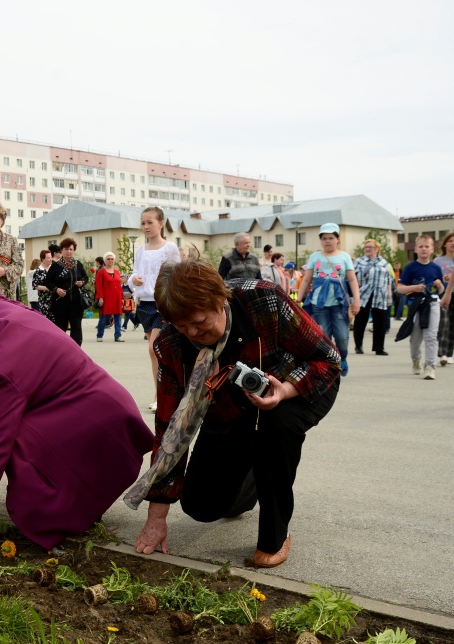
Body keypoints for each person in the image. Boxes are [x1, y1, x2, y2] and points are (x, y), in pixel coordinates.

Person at [0, 272, 153, 553]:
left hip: (98, 427)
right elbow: (1, 303)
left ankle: (62, 514)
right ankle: (83, 502)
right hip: (109, 409)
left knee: (18, 444)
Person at [128, 260, 341, 568]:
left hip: (297, 389)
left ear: (219, 299)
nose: (192, 332)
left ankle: (275, 536)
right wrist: (156, 517)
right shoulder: (171, 344)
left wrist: (285, 390)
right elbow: (169, 428)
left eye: (199, 322)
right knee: (201, 505)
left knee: (277, 426)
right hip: (228, 412)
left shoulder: (263, 301)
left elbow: (328, 360)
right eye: (181, 325)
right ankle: (259, 469)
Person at [130, 206, 181, 410]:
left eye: (150, 222)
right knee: (155, 352)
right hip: (146, 305)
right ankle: (161, 392)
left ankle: (163, 395)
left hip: (163, 303)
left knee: (154, 348)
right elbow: (134, 275)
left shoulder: (170, 248)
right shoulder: (141, 250)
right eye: (143, 223)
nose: (146, 226)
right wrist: (135, 280)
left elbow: (177, 274)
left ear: (161, 223)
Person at [296, 223, 360, 377]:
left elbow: (352, 280)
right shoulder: (314, 257)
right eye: (324, 238)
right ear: (321, 240)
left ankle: (342, 358)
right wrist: (298, 300)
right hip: (319, 303)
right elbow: (306, 280)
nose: (327, 241)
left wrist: (356, 301)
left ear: (337, 239)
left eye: (331, 238)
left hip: (339, 303)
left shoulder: (344, 257)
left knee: (342, 337)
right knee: (323, 337)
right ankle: (329, 365)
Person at [397, 234, 445, 380]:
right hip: (416, 304)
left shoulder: (436, 268)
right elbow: (400, 288)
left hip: (432, 303)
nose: (424, 249)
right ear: (416, 249)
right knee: (416, 338)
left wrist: (440, 285)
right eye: (421, 246)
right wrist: (413, 287)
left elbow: (442, 291)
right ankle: (416, 359)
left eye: (427, 246)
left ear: (432, 249)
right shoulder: (411, 267)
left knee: (431, 336)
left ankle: (430, 366)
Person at [352, 239, 395, 356]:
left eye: (371, 247)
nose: (368, 249)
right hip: (363, 294)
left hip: (379, 295)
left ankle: (379, 347)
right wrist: (353, 296)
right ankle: (358, 345)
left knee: (380, 322)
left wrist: (389, 295)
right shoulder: (359, 262)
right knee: (360, 321)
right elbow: (352, 279)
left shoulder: (384, 263)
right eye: (366, 247)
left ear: (377, 249)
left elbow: (388, 280)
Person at [44, 238, 90, 346]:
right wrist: (56, 290)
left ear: (74, 250)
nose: (68, 251)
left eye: (71, 249)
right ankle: (61, 350)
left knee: (76, 328)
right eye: (66, 249)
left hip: (76, 303)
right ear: (61, 251)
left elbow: (86, 277)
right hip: (60, 303)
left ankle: (76, 350)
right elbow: (48, 282)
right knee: (61, 328)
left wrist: (82, 282)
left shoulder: (78, 264)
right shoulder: (56, 265)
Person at [94, 252, 124, 342]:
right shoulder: (101, 272)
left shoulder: (117, 272)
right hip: (106, 298)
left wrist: (122, 298)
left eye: (112, 259)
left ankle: (118, 336)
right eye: (108, 259)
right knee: (104, 317)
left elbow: (119, 286)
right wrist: (100, 297)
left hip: (117, 298)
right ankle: (100, 335)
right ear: (104, 260)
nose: (110, 261)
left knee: (118, 318)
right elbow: (98, 286)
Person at [435, 232, 454, 365]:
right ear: (445, 244)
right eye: (450, 241)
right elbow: (434, 277)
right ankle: (442, 353)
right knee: (444, 324)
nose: (453, 243)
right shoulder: (438, 261)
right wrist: (443, 279)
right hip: (444, 294)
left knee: (452, 326)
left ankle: (450, 353)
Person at [31, 249, 55, 320]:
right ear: (43, 259)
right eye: (48, 258)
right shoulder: (38, 271)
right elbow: (35, 285)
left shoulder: (53, 268)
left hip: (54, 299)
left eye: (51, 257)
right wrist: (47, 288)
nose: (50, 259)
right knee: (46, 320)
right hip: (44, 301)